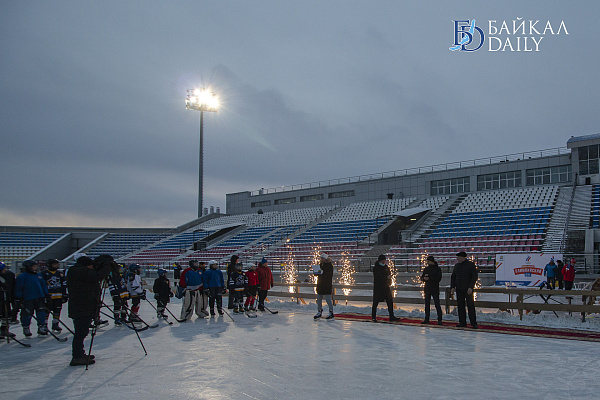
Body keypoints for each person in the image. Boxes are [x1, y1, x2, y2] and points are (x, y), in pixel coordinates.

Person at [66, 255, 111, 366]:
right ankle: (77, 356)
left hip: (84, 305)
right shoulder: (79, 271)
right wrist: (107, 268)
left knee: (82, 332)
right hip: (81, 306)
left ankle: (80, 353)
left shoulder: (78, 271)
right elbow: (96, 277)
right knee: (80, 333)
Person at [15, 260, 49, 337]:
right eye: (33, 266)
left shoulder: (39, 276)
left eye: (35, 266)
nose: (35, 268)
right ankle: (26, 327)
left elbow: (43, 286)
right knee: (27, 314)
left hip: (39, 297)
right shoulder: (21, 277)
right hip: (28, 298)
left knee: (41, 313)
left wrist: (46, 294)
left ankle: (41, 327)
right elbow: (18, 288)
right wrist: (18, 297)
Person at [450, 251, 478, 329]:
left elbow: (474, 276)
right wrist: (452, 287)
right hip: (459, 288)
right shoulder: (457, 266)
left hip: (467, 289)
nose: (457, 259)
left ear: (463, 258)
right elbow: (453, 277)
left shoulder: (470, 265)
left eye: (458, 257)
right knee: (460, 306)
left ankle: (473, 323)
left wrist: (471, 287)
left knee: (470, 306)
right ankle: (462, 322)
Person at [41, 259, 67, 332]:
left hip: (58, 296)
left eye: (57, 264)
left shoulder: (60, 273)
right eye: (54, 264)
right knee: (46, 312)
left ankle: (55, 324)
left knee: (57, 311)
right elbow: (42, 285)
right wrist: (44, 295)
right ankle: (44, 325)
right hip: (49, 296)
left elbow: (64, 284)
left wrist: (64, 294)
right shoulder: (44, 274)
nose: (56, 266)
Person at [371, 254, 399, 322]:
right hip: (378, 288)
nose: (384, 262)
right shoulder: (376, 268)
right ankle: (373, 316)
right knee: (375, 302)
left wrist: (389, 281)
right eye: (383, 260)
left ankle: (391, 316)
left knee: (389, 301)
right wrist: (386, 277)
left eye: (384, 260)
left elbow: (389, 275)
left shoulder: (386, 267)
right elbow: (378, 277)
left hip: (386, 287)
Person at [420, 255, 443, 325]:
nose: (428, 263)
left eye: (429, 261)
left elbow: (438, 278)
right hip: (427, 288)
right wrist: (424, 279)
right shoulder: (426, 269)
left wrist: (429, 278)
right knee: (427, 305)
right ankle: (426, 318)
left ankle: (439, 319)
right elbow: (422, 277)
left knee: (437, 304)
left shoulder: (437, 269)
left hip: (434, 288)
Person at [314, 253, 334, 320]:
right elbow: (318, 274)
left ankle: (331, 312)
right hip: (320, 285)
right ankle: (319, 311)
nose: (322, 259)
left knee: (328, 300)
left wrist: (322, 273)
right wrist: (316, 272)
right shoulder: (320, 265)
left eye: (323, 258)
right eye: (321, 258)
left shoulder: (330, 266)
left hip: (327, 285)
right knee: (319, 300)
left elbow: (329, 274)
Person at [0, 262, 17, 338]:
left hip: (6, 298)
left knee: (7, 315)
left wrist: (13, 297)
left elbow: (13, 286)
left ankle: (4, 329)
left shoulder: (10, 275)